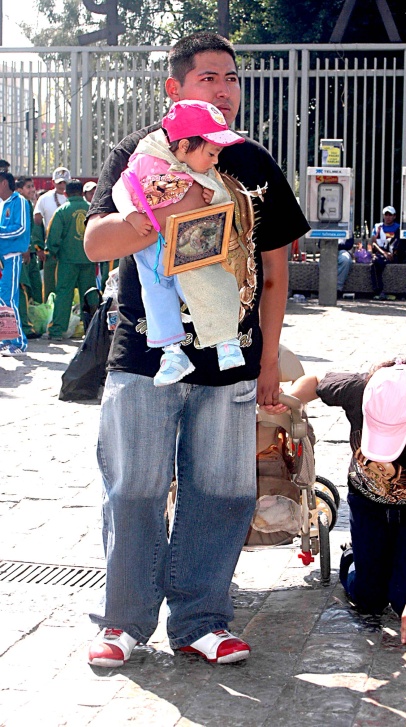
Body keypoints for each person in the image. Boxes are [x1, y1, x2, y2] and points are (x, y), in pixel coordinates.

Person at [84, 31, 310, 667]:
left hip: (232, 359)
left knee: (221, 492)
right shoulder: (138, 155)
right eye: (210, 77)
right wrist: (147, 217)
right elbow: (98, 243)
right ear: (174, 88)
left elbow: (274, 271)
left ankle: (201, 620)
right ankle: (123, 623)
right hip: (143, 357)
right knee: (134, 489)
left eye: (232, 78)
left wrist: (269, 362)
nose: (226, 90)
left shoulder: (252, 161)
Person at [275, 357, 406, 647]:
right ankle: (354, 556)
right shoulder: (358, 389)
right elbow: (312, 383)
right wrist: (289, 403)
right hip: (368, 504)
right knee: (368, 599)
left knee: (403, 602)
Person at [111, 99, 246, 386]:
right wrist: (132, 215)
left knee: (207, 286)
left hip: (188, 247)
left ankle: (226, 341)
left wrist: (213, 196)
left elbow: (219, 195)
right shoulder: (145, 160)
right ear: (184, 146)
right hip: (150, 252)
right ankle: (172, 354)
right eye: (212, 152)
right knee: (157, 296)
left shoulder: (202, 171)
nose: (215, 160)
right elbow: (122, 188)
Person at [45, 180, 99, 340]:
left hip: (67, 260)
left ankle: (57, 331)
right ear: (82, 192)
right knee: (89, 295)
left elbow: (53, 236)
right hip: (88, 258)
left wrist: (52, 251)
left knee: (64, 294)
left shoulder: (62, 211)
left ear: (66, 193)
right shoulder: (92, 209)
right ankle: (92, 330)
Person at [0, 172, 31, 356]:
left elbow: (21, 228)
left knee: (9, 298)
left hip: (11, 257)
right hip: (3, 258)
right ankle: (7, 339)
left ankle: (19, 342)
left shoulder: (19, 201)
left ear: (4, 183)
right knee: (3, 299)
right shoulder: (5, 204)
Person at [33, 167, 71, 301]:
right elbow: (37, 222)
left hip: (69, 247)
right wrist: (38, 247)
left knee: (67, 283)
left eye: (65, 182)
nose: (62, 185)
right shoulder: (45, 198)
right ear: (53, 182)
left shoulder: (72, 198)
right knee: (49, 283)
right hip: (50, 247)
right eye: (59, 182)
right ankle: (49, 312)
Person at [16, 176, 44, 339]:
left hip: (29, 252)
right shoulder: (21, 203)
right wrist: (26, 248)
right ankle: (24, 326)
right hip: (22, 253)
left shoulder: (26, 203)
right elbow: (24, 229)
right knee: (23, 288)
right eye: (28, 187)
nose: (32, 190)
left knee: (31, 287)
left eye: (32, 186)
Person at [369, 205, 403, 300]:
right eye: (386, 215)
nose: (388, 217)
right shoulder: (377, 227)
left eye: (390, 215)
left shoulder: (398, 227)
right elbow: (373, 243)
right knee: (374, 263)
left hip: (395, 253)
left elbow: (401, 242)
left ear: (394, 216)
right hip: (382, 253)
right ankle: (378, 291)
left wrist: (393, 253)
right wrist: (384, 253)